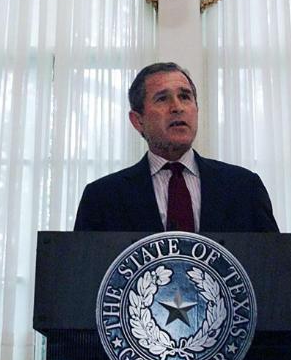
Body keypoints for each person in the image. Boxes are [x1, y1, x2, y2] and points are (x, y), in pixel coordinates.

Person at [73, 62, 279, 233]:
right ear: (138, 120)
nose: (177, 107)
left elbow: (273, 268)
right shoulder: (102, 197)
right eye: (162, 99)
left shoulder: (244, 188)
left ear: (196, 110)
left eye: (185, 97)